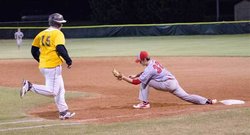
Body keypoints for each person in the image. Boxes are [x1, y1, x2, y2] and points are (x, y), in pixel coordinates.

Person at [20, 13, 75, 120]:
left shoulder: (41, 33)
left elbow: (33, 50)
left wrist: (41, 60)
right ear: (59, 24)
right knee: (52, 91)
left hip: (44, 65)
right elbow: (60, 48)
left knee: (60, 90)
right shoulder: (58, 33)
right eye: (61, 23)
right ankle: (29, 86)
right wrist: (69, 60)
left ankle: (63, 112)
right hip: (53, 65)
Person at [119, 51, 217, 109]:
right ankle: (207, 101)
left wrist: (123, 77)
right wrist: (136, 75)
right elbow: (147, 73)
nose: (139, 63)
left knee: (145, 82)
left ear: (144, 59)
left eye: (140, 61)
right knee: (186, 96)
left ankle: (144, 103)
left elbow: (136, 82)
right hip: (173, 81)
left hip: (167, 84)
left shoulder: (149, 69)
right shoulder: (154, 62)